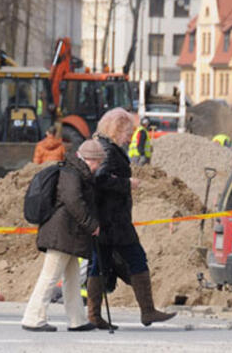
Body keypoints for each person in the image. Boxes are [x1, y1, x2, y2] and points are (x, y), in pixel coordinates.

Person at [89, 108, 176, 329]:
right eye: (128, 131)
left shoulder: (103, 146)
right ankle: (147, 311)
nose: (130, 136)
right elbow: (100, 179)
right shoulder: (108, 150)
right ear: (117, 129)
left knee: (99, 265)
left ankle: (94, 315)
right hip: (114, 221)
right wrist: (127, 184)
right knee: (137, 259)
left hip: (107, 219)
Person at [21, 140, 104, 332]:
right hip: (61, 234)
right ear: (89, 159)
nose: (98, 167)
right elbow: (73, 201)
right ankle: (33, 318)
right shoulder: (71, 173)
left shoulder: (76, 171)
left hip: (69, 234)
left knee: (72, 278)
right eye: (97, 162)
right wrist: (92, 224)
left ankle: (77, 319)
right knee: (50, 276)